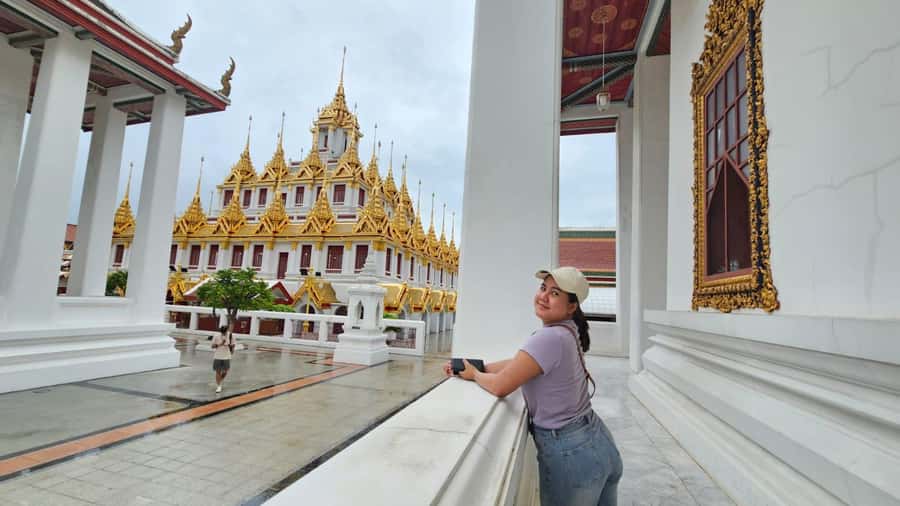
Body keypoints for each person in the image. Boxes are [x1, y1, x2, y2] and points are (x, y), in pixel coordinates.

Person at [446, 266, 623, 505]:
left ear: (572, 306)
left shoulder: (549, 337)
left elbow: (500, 387)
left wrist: (475, 375)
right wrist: (480, 366)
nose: (543, 296)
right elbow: (521, 364)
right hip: (599, 441)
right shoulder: (568, 332)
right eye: (543, 288)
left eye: (555, 293)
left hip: (571, 454)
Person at [211, 325, 235, 394]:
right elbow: (212, 346)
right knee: (218, 371)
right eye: (223, 332)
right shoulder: (216, 336)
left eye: (225, 332)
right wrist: (220, 344)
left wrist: (232, 349)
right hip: (217, 356)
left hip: (227, 356)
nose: (224, 333)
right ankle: (219, 386)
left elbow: (233, 344)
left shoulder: (231, 336)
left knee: (225, 371)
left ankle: (220, 381)